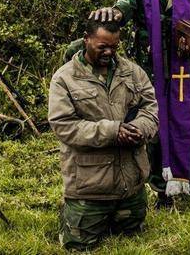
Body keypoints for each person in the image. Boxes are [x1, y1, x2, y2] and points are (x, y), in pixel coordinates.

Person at [87, 0, 190, 205]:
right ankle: (161, 189)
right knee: (153, 129)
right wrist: (112, 13)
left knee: (189, 125)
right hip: (148, 73)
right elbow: (121, 12)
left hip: (181, 72)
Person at [49, 19, 158, 251]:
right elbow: (63, 125)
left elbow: (151, 107)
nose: (109, 52)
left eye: (115, 47)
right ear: (86, 39)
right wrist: (112, 131)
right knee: (78, 246)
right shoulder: (64, 78)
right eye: (102, 47)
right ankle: (70, 216)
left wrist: (140, 128)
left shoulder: (132, 71)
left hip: (131, 185)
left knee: (132, 240)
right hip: (89, 189)